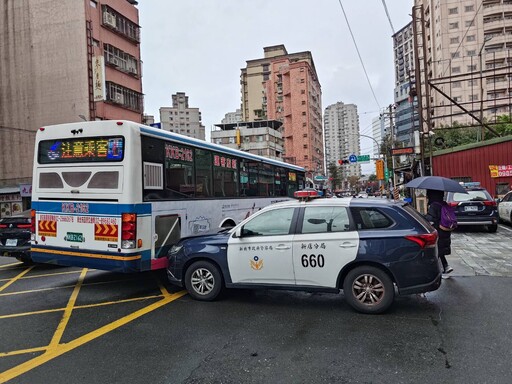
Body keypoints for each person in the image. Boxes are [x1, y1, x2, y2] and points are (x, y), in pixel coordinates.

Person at [424, 189, 454, 275]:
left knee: (436, 250)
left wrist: (425, 217)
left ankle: (438, 270)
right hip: (445, 230)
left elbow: (430, 219)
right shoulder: (444, 204)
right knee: (439, 250)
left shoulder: (434, 205)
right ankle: (445, 266)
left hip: (438, 231)